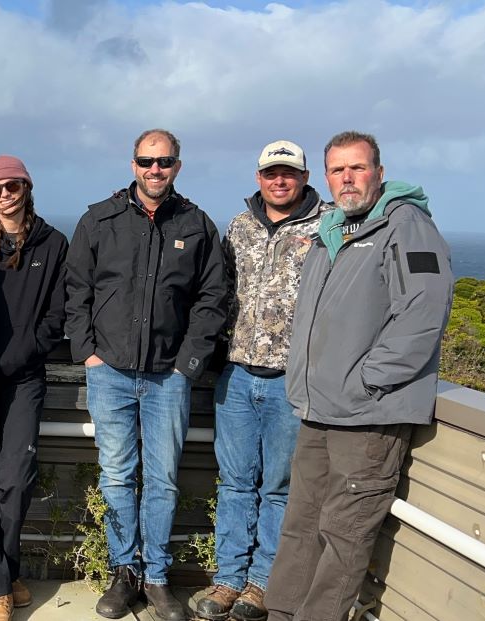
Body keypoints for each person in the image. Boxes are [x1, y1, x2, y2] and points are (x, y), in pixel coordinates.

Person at [264, 131, 453, 621]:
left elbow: (424, 313)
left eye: (357, 168)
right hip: (318, 408)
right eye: (337, 170)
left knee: (343, 535)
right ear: (325, 177)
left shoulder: (406, 226)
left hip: (367, 414)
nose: (346, 179)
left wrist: (367, 380)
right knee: (302, 525)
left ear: (379, 173)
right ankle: (282, 613)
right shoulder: (336, 230)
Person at [65, 129, 228, 621]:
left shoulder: (197, 225)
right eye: (146, 160)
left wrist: (187, 366)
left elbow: (211, 299)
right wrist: (87, 352)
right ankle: (124, 573)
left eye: (164, 162)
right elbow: (77, 291)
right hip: (108, 371)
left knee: (162, 480)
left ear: (177, 165)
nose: (154, 169)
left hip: (168, 378)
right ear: (133, 162)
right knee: (117, 477)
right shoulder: (99, 220)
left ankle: (156, 577)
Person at [194, 141, 328, 621]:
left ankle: (262, 584)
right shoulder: (238, 226)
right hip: (235, 374)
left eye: (288, 173)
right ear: (258, 177)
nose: (279, 181)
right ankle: (228, 579)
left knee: (278, 486)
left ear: (304, 176)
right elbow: (217, 292)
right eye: (271, 172)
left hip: (291, 381)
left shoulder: (328, 225)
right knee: (234, 484)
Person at [0, 155, 67, 621]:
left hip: (24, 378)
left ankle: (4, 571)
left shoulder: (54, 243)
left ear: (27, 186)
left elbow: (58, 314)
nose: (5, 195)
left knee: (16, 479)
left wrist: (27, 349)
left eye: (13, 186)